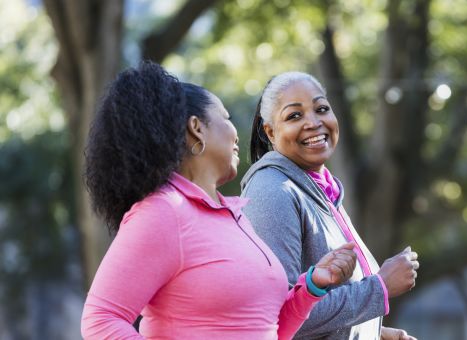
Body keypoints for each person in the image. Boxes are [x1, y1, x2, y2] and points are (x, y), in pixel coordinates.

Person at [80, 62, 358, 340]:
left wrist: (311, 287)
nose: (236, 132)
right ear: (196, 128)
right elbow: (100, 321)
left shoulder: (233, 216)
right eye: (225, 118)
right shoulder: (163, 211)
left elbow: (266, 328)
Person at [241, 72, 420, 340]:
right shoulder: (273, 190)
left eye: (321, 109)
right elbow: (280, 316)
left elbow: (320, 312)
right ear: (270, 131)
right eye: (294, 116)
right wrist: (379, 286)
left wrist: (373, 333)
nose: (313, 122)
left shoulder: (322, 190)